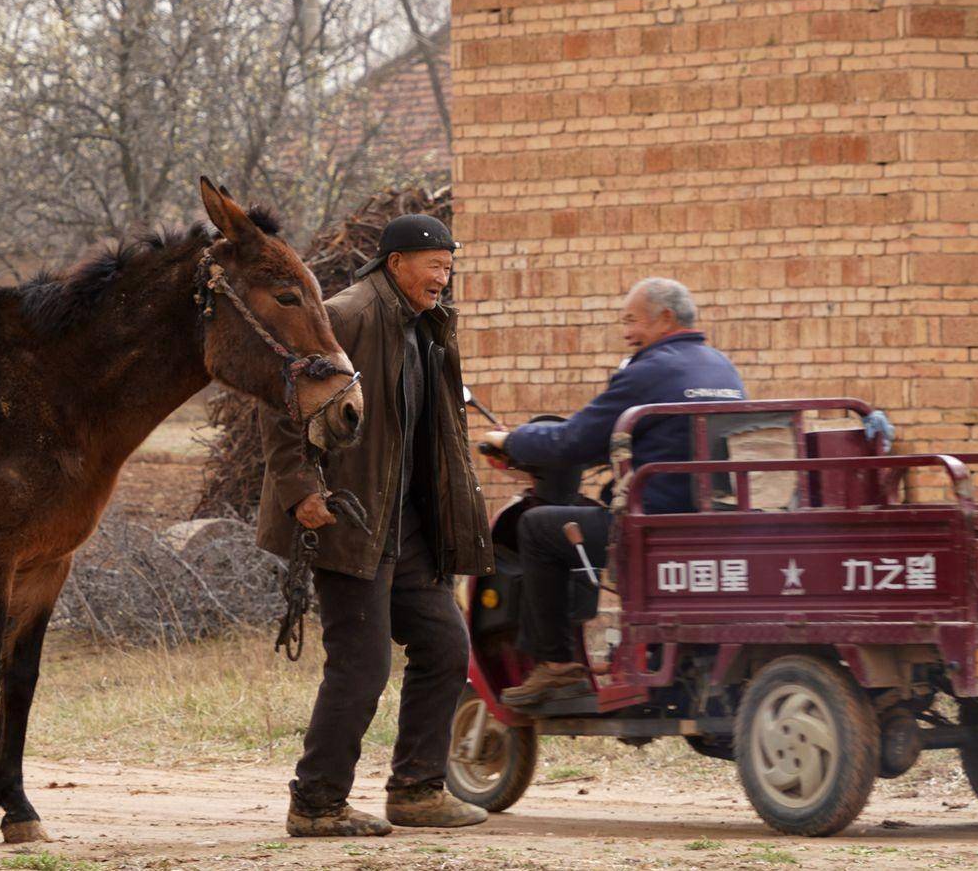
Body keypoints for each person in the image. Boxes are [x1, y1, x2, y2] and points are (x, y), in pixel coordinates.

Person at [258, 214, 495, 837]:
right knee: (361, 666)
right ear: (396, 264)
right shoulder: (348, 315)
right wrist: (301, 490)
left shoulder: (429, 326)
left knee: (446, 646)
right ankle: (315, 802)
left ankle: (417, 791)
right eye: (433, 266)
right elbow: (283, 406)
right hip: (349, 517)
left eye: (449, 265)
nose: (443, 277)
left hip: (408, 525)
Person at [479, 277, 745, 708]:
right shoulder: (721, 367)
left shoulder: (649, 371)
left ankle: (557, 666)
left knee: (538, 527)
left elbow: (574, 440)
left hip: (652, 530)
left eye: (631, 321)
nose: (625, 332)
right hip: (707, 525)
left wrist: (512, 442)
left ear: (665, 318)